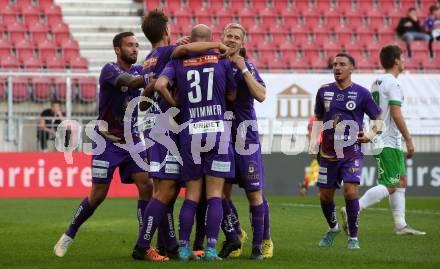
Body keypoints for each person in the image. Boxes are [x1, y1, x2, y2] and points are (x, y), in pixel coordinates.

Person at [132, 11, 233, 261]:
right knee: (168, 192)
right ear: (166, 31)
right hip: (172, 128)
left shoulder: (148, 59)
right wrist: (218, 45)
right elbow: (161, 85)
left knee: (170, 190)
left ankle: (172, 246)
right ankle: (143, 246)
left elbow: (147, 95)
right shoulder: (169, 53)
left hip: (161, 129)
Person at [53, 32, 153, 258]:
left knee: (147, 187)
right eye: (130, 45)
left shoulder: (139, 71)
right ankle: (69, 234)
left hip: (133, 140)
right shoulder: (110, 70)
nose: (135, 49)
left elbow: (143, 97)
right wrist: (153, 78)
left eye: (137, 45)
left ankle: (142, 245)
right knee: (98, 195)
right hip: (106, 141)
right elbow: (130, 82)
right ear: (118, 49)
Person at [341, 45, 426, 236]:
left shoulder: (377, 82)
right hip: (387, 139)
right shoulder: (393, 84)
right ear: (396, 60)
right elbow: (396, 113)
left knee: (400, 180)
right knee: (391, 183)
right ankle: (352, 209)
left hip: (383, 138)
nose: (403, 61)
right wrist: (409, 139)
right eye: (402, 58)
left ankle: (400, 225)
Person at [309, 53, 382, 250]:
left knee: (351, 192)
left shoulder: (362, 93)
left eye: (342, 64)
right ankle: (333, 228)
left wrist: (370, 135)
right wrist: (313, 141)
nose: (337, 68)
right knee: (325, 196)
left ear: (352, 68)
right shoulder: (323, 91)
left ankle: (353, 238)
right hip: (327, 153)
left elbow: (378, 119)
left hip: (352, 152)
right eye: (334, 65)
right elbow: (318, 118)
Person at [216, 23, 272, 261]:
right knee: (219, 194)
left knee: (254, 194)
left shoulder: (247, 65)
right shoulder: (214, 64)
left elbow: (261, 95)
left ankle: (262, 243)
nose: (231, 39)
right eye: (228, 35)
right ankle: (236, 233)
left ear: (242, 43)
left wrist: (244, 69)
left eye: (236, 37)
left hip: (245, 139)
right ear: (222, 37)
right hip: (220, 138)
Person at [299, 115, 320, 196]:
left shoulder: (328, 116)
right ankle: (320, 189)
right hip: (318, 145)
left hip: (324, 146)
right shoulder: (314, 118)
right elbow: (310, 133)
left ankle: (305, 185)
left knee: (316, 166)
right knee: (321, 167)